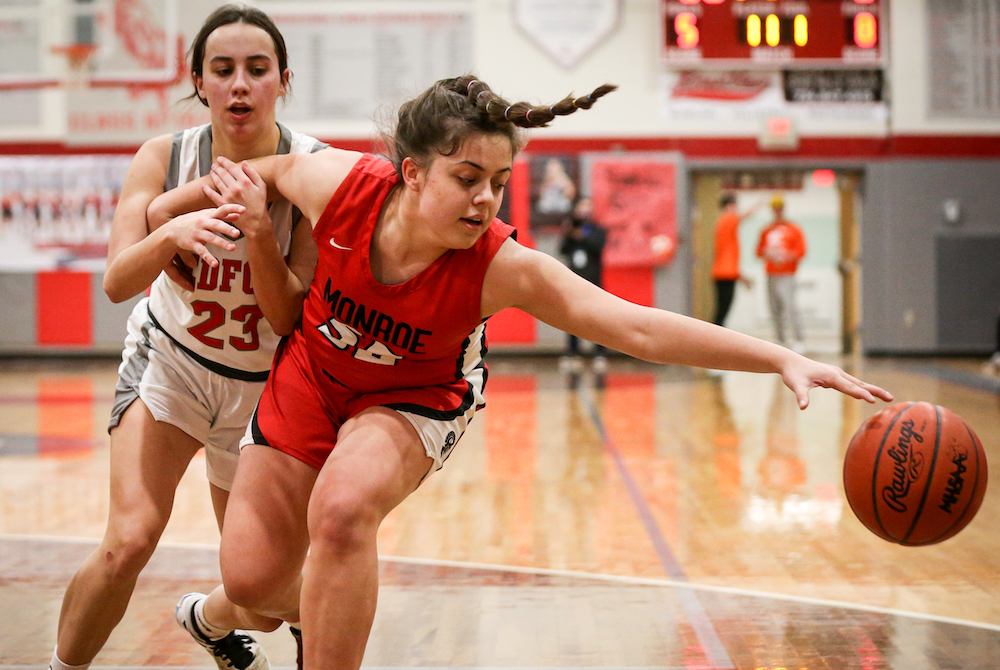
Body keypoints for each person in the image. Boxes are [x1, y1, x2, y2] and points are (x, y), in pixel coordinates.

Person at [146, 75, 893, 669]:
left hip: (414, 396)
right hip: (311, 370)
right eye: (468, 176)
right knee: (251, 583)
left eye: (498, 181)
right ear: (410, 171)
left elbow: (635, 325)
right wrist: (165, 216)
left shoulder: (502, 267)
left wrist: (780, 356)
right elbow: (253, 171)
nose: (485, 198)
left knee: (342, 515)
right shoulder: (336, 184)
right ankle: (219, 616)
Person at [49, 6, 324, 670]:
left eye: (256, 70)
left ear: (282, 80)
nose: (239, 85)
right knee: (128, 542)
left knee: (260, 596)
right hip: (171, 365)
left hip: (262, 391)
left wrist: (260, 231)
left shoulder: (311, 167)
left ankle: (207, 620)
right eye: (222, 69)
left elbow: (289, 315)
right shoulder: (164, 156)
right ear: (197, 80)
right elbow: (117, 280)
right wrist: (168, 232)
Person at [559, 195, 608, 370]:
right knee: (572, 318)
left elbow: (598, 246)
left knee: (599, 319)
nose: (585, 210)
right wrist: (570, 233)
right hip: (573, 280)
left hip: (594, 281)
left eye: (588, 206)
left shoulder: (597, 229)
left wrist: (583, 236)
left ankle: (600, 354)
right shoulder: (571, 228)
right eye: (582, 206)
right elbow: (563, 249)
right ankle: (573, 352)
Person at [756, 194, 807, 351]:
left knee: (790, 307)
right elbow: (759, 251)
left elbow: (801, 251)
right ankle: (780, 339)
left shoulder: (794, 229)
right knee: (774, 308)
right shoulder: (766, 230)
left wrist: (787, 256)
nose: (777, 211)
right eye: (775, 208)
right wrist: (768, 254)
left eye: (780, 208)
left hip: (787, 274)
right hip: (771, 274)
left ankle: (799, 339)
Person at [711, 193, 763, 327]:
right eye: (735, 205)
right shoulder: (727, 219)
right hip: (725, 274)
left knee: (723, 310)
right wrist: (759, 204)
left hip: (725, 273)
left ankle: (716, 337)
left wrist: (742, 277)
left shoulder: (723, 223)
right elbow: (743, 216)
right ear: (729, 206)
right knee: (722, 311)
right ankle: (714, 339)